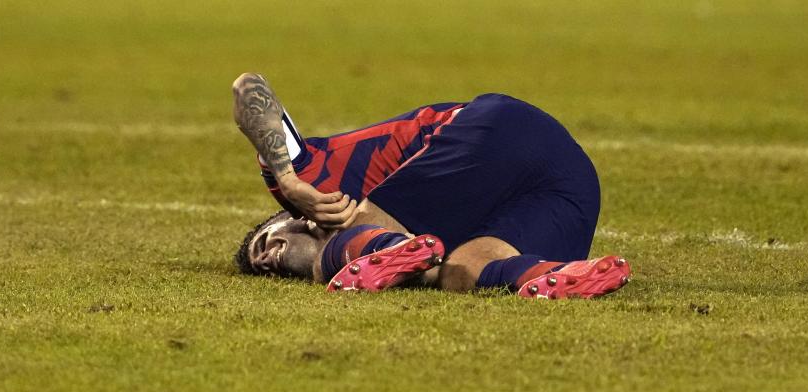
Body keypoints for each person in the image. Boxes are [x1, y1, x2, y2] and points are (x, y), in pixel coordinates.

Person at [231, 73, 630, 299]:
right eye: (267, 268)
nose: (269, 257)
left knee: (337, 252)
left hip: (494, 130)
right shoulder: (432, 240)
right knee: (462, 273)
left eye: (264, 242)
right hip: (571, 182)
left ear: (290, 218)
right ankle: (570, 276)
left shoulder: (308, 180)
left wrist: (286, 178)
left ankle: (380, 248)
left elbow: (248, 88)